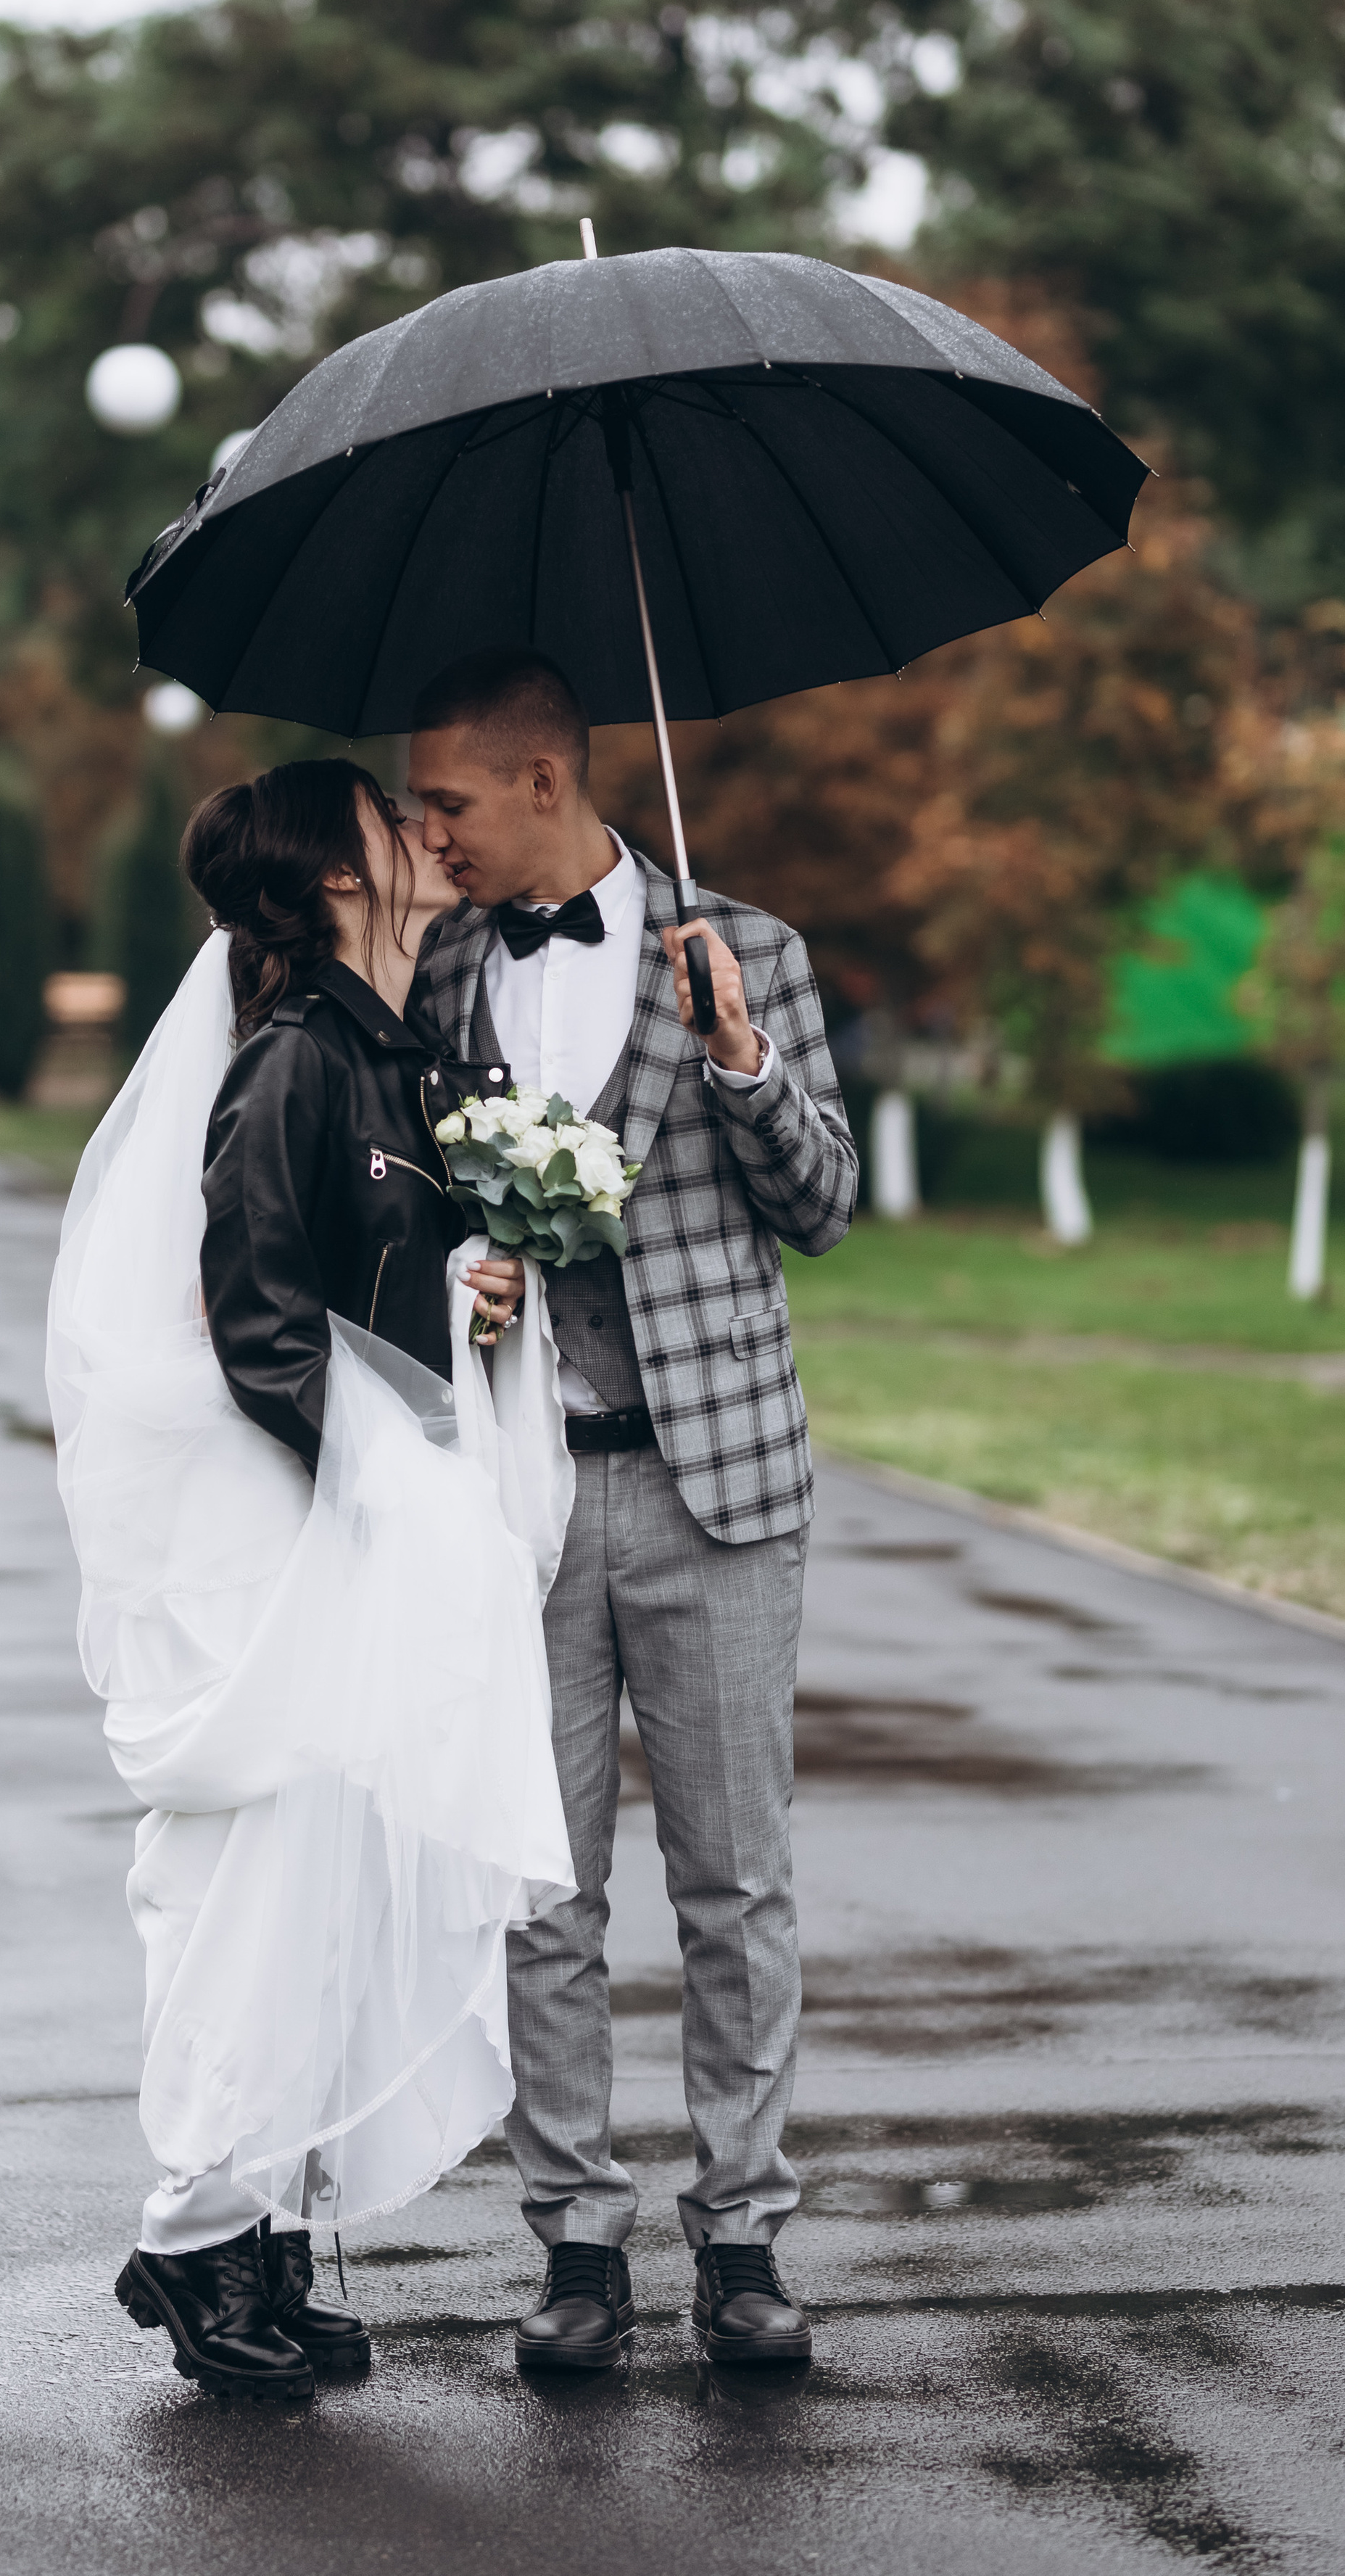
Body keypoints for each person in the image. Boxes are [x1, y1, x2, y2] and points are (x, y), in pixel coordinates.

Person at [46, 757, 576, 2406]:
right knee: (250, 1900)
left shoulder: (391, 1057)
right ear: (331, 879)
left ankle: (258, 2224)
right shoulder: (287, 1068)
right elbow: (263, 1325)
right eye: (384, 820)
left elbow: (369, 1293)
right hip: (286, 1543)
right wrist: (378, 1487)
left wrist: (466, 1297)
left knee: (317, 1902)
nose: (420, 835)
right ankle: (194, 2241)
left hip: (349, 1520)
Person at [407, 646, 858, 2374]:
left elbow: (819, 1208)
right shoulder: (442, 966)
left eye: (444, 801)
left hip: (714, 1483)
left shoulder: (745, 952)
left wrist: (741, 1064)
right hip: (518, 1488)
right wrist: (466, 1266)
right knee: (543, 1886)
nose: (424, 833)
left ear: (541, 780)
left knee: (735, 1879)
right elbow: (406, 1203)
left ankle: (743, 2236)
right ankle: (573, 2245)